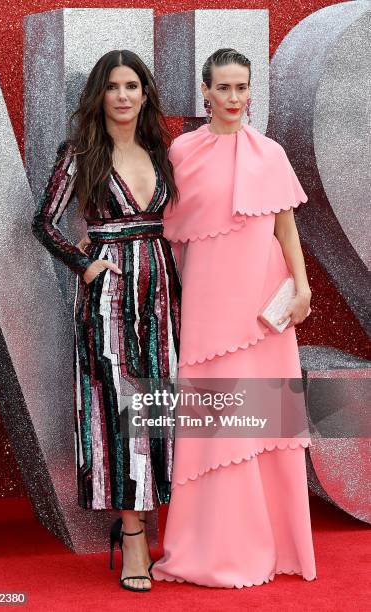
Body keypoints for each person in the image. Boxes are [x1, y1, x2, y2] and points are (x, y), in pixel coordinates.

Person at [150, 48, 317, 588]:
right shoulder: (180, 152)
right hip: (206, 307)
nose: (234, 99)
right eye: (223, 88)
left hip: (265, 307)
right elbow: (168, 234)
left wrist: (303, 289)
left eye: (242, 88)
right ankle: (210, 548)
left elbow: (286, 230)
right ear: (205, 92)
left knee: (264, 422)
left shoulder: (271, 153)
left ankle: (272, 547)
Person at [31, 50, 181, 593]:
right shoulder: (81, 152)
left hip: (164, 293)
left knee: (157, 405)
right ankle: (134, 534)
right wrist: (85, 263)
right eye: (113, 86)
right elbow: (43, 223)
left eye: (132, 85)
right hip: (110, 296)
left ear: (145, 93)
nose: (123, 95)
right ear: (100, 94)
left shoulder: (163, 150)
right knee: (117, 407)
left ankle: (163, 521)